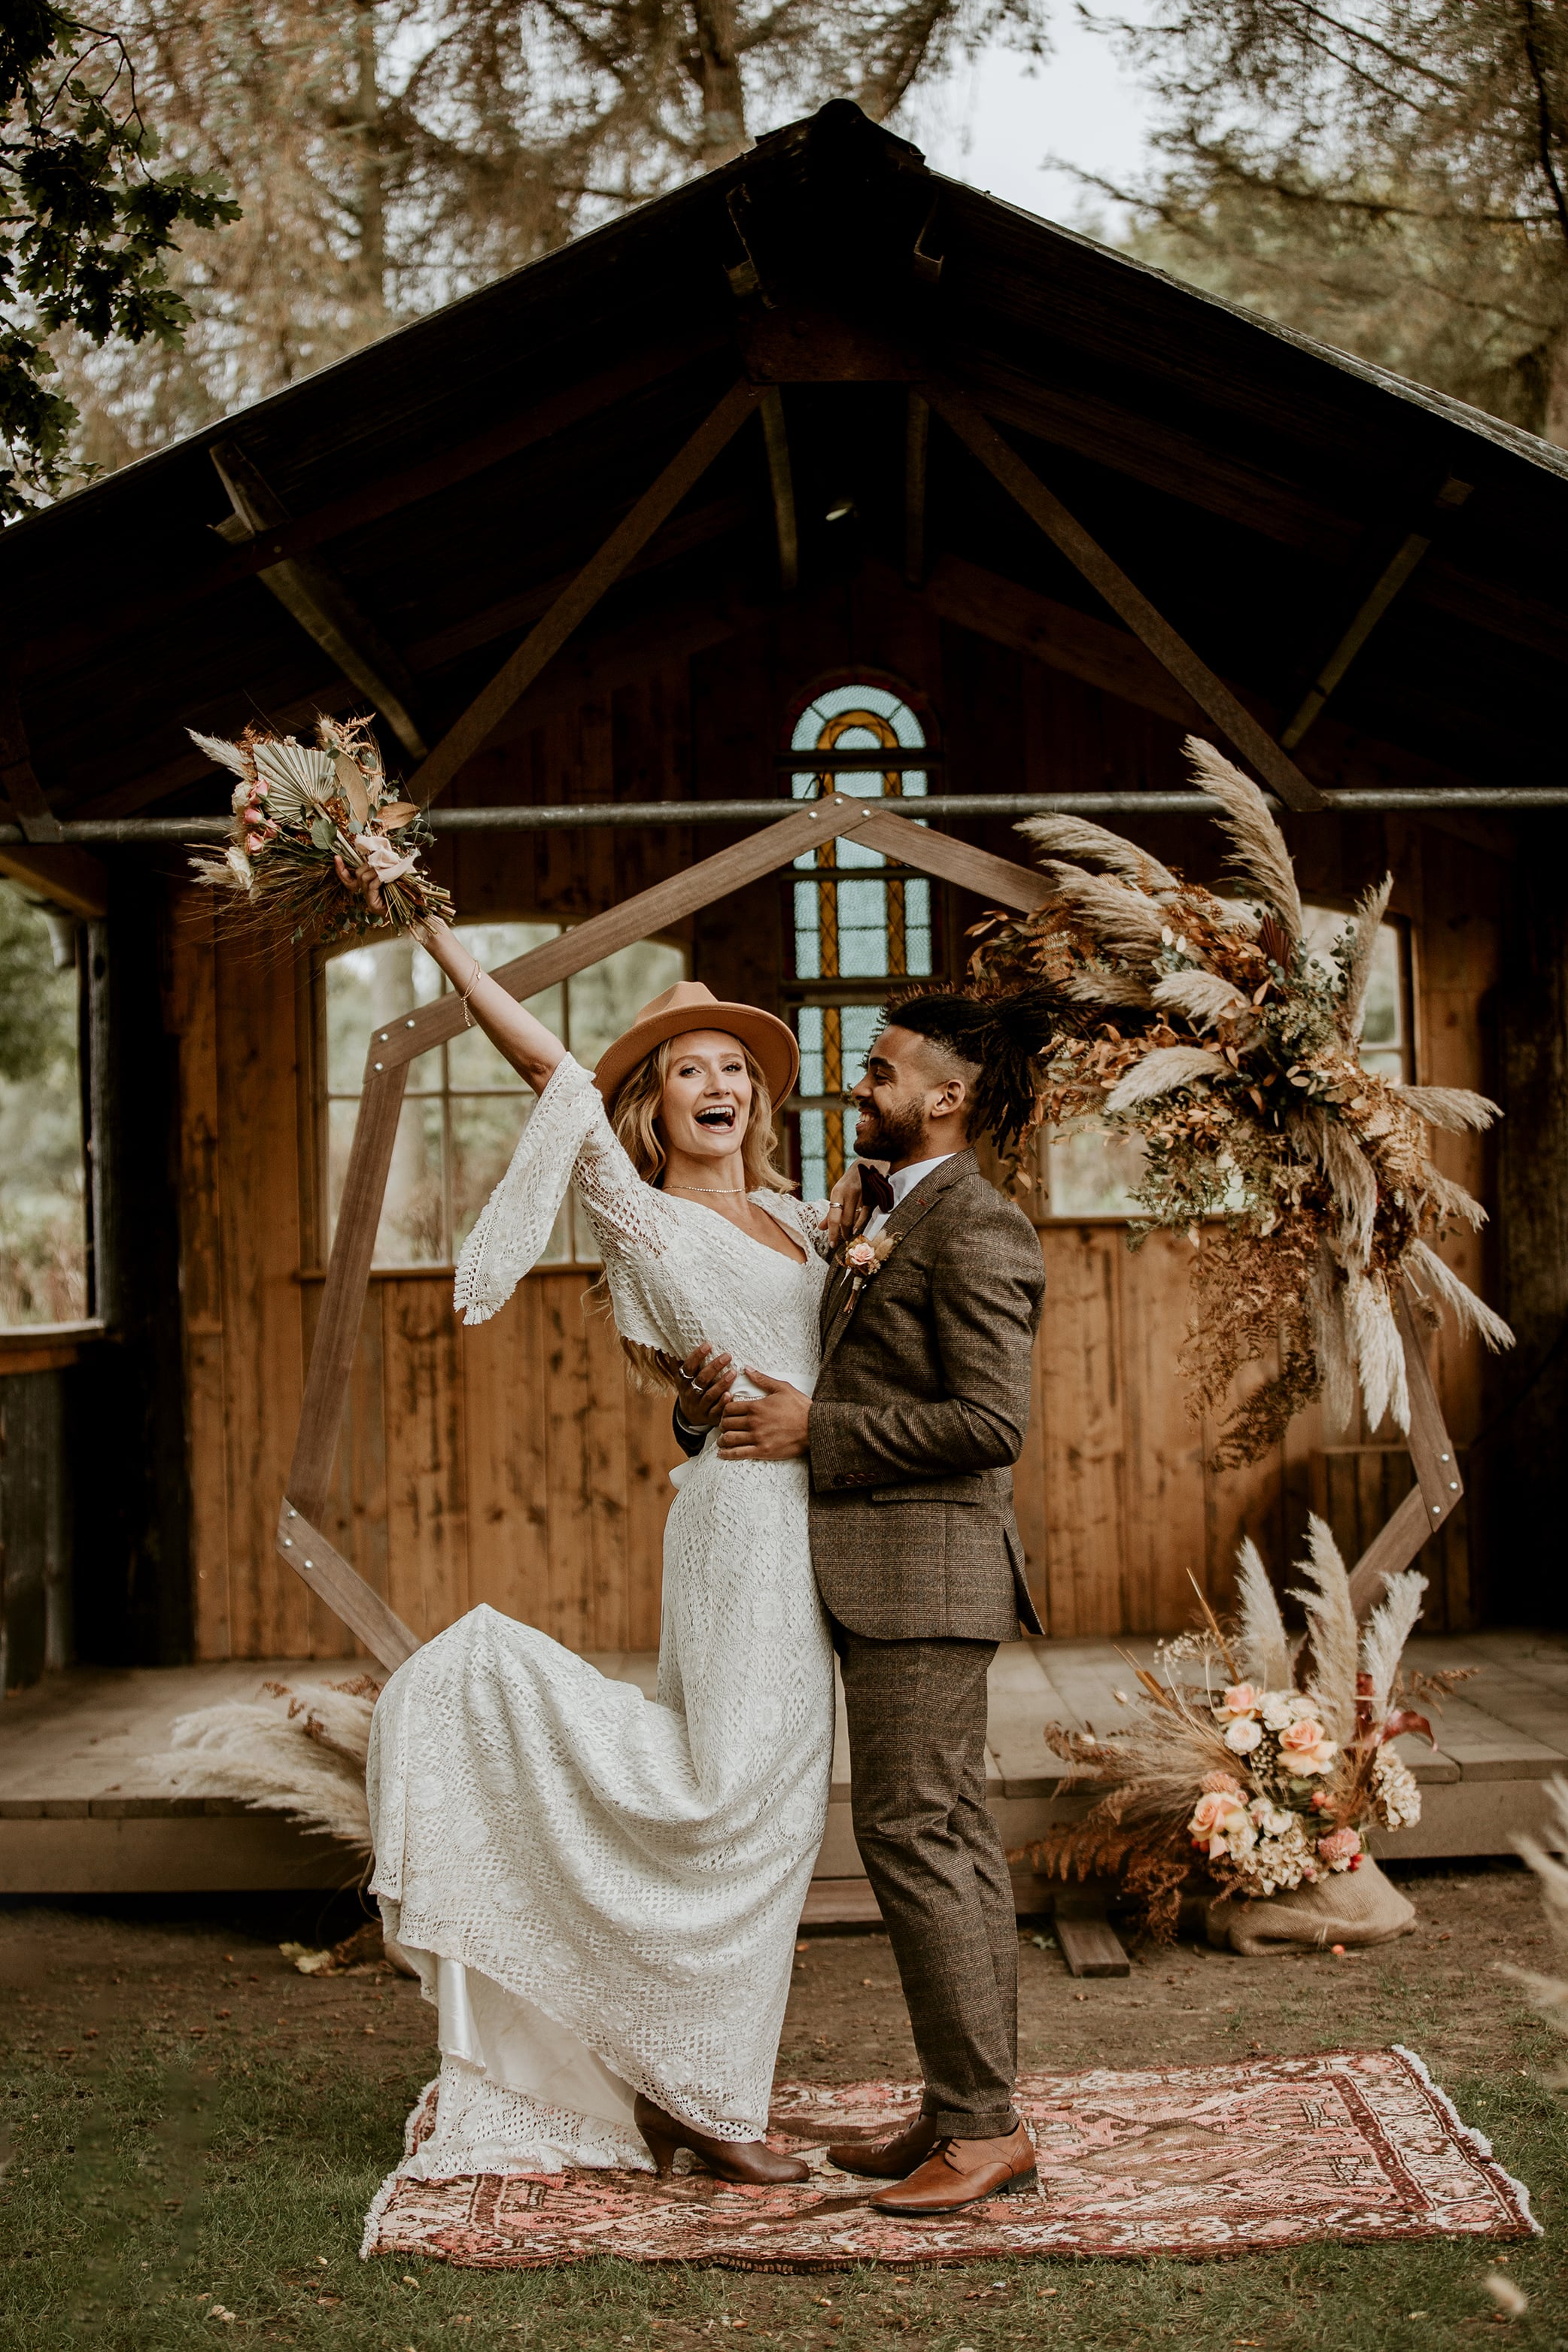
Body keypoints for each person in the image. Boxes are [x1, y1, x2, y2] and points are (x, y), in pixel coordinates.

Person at [365, 947, 845, 2195]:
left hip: (820, 1521)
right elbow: (545, 1064)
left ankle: (705, 2085)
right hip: (742, 1519)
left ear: (759, 1095)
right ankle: (485, 1684)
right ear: (654, 1103)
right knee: (723, 1793)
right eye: (689, 1068)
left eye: (735, 1065)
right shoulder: (644, 1210)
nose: (717, 1082)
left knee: (781, 1820)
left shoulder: (803, 1218)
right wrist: (438, 939)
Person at [674, 992, 1047, 2217]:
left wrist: (812, 1428)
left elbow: (991, 1424)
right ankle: (961, 2105)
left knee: (916, 1835)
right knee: (943, 1833)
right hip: (885, 1569)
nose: (858, 1084)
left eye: (880, 1070)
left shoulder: (979, 1227)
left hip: (927, 1577)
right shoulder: (888, 1213)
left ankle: (985, 2129)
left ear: (945, 1096)